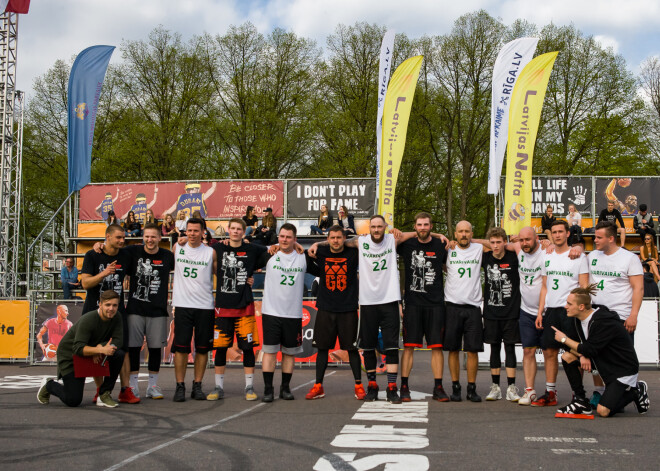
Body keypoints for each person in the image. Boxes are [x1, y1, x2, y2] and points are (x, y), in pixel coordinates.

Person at [553, 286, 649, 417]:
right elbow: (578, 348)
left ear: (581, 307)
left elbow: (588, 348)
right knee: (567, 356)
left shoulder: (602, 321)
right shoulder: (577, 319)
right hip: (602, 361)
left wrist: (564, 339)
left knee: (603, 411)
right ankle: (580, 401)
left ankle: (635, 391)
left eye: (569, 304)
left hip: (622, 370)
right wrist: (582, 354)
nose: (565, 306)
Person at [207, 218, 270, 402]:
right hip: (223, 307)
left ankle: (249, 386)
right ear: (228, 230)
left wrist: (250, 275)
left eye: (238, 229)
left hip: (244, 306)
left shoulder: (253, 249)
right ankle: (218, 387)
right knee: (220, 349)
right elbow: (197, 248)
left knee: (247, 348)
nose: (235, 231)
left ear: (244, 232)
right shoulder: (218, 247)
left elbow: (270, 250)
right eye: (232, 228)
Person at [37, 290, 126, 408]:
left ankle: (104, 394)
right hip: (71, 355)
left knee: (118, 354)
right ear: (100, 304)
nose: (111, 308)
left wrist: (100, 346)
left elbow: (118, 340)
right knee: (73, 400)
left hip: (91, 350)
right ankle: (48, 384)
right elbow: (77, 348)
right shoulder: (88, 319)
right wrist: (99, 350)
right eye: (107, 305)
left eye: (115, 305)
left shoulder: (117, 317)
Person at [305, 225, 364, 400]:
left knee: (351, 349)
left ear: (344, 238)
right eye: (332, 238)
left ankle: (359, 386)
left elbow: (363, 242)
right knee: (322, 349)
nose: (336, 241)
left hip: (348, 309)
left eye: (339, 238)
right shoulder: (321, 251)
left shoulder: (353, 253)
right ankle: (318, 386)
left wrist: (318, 242)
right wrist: (315, 246)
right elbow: (313, 266)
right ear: (328, 238)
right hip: (326, 308)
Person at [587, 220, 643, 406]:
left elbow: (638, 288)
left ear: (611, 238)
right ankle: (600, 391)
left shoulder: (629, 258)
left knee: (622, 359)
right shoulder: (592, 256)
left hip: (620, 316)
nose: (595, 240)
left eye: (599, 237)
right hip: (596, 317)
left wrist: (633, 314)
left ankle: (629, 391)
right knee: (597, 357)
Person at [534, 220, 589, 407]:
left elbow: (584, 287)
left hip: (570, 312)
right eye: (554, 232)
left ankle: (577, 394)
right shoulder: (546, 256)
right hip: (551, 310)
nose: (557, 235)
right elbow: (544, 287)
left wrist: (581, 312)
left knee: (573, 352)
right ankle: (550, 392)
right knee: (549, 351)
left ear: (567, 234)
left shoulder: (578, 256)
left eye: (560, 232)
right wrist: (540, 312)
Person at [80, 224, 137, 404]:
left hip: (118, 313)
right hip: (94, 311)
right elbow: (85, 284)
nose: (122, 240)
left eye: (123, 238)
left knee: (123, 350)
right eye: (118, 237)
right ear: (107, 237)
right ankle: (100, 391)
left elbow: (148, 248)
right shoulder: (92, 255)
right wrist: (104, 273)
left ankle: (125, 390)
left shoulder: (126, 254)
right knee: (97, 350)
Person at [396, 212, 449, 402]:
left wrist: (439, 237)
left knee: (437, 347)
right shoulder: (407, 245)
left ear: (431, 226)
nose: (423, 228)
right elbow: (398, 237)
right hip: (413, 304)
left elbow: (447, 266)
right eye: (419, 225)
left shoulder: (440, 245)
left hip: (435, 304)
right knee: (409, 347)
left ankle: (438, 387)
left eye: (426, 225)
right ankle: (404, 386)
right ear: (415, 226)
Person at [260, 223, 315, 402]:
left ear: (295, 239)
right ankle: (268, 389)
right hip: (271, 312)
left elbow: (323, 258)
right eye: (282, 236)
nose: (284, 240)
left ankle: (285, 388)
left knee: (289, 353)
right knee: (269, 352)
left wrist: (314, 246)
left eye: (288, 237)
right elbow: (245, 251)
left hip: (293, 314)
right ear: (278, 237)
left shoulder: (302, 257)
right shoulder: (269, 253)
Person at [123, 223, 175, 400]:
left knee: (155, 350)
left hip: (158, 311)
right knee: (134, 348)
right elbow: (113, 252)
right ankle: (133, 386)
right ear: (142, 237)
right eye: (147, 236)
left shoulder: (168, 256)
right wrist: (97, 245)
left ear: (160, 238)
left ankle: (152, 386)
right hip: (135, 309)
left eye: (153, 236)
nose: (150, 240)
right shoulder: (132, 252)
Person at [171, 217, 217, 402]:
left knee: (202, 348)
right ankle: (179, 385)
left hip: (204, 306)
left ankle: (197, 385)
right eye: (189, 230)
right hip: (183, 305)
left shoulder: (211, 253)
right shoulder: (177, 248)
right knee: (181, 349)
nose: (191, 234)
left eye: (195, 231)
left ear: (203, 232)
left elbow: (221, 274)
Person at [444, 221, 486, 403]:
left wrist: (474, 240)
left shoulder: (478, 248)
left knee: (472, 350)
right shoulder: (448, 250)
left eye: (467, 232)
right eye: (460, 232)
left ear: (471, 233)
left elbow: (496, 244)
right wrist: (448, 241)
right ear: (455, 233)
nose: (463, 235)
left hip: (473, 307)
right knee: (452, 350)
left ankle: (471, 387)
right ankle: (455, 387)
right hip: (452, 306)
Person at [481, 227, 521, 402]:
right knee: (494, 348)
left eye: (499, 242)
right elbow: (474, 243)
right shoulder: (485, 257)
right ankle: (495, 387)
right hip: (491, 312)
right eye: (493, 242)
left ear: (505, 242)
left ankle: (511, 388)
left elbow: (527, 246)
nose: (496, 246)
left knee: (510, 348)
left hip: (511, 312)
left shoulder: (514, 257)